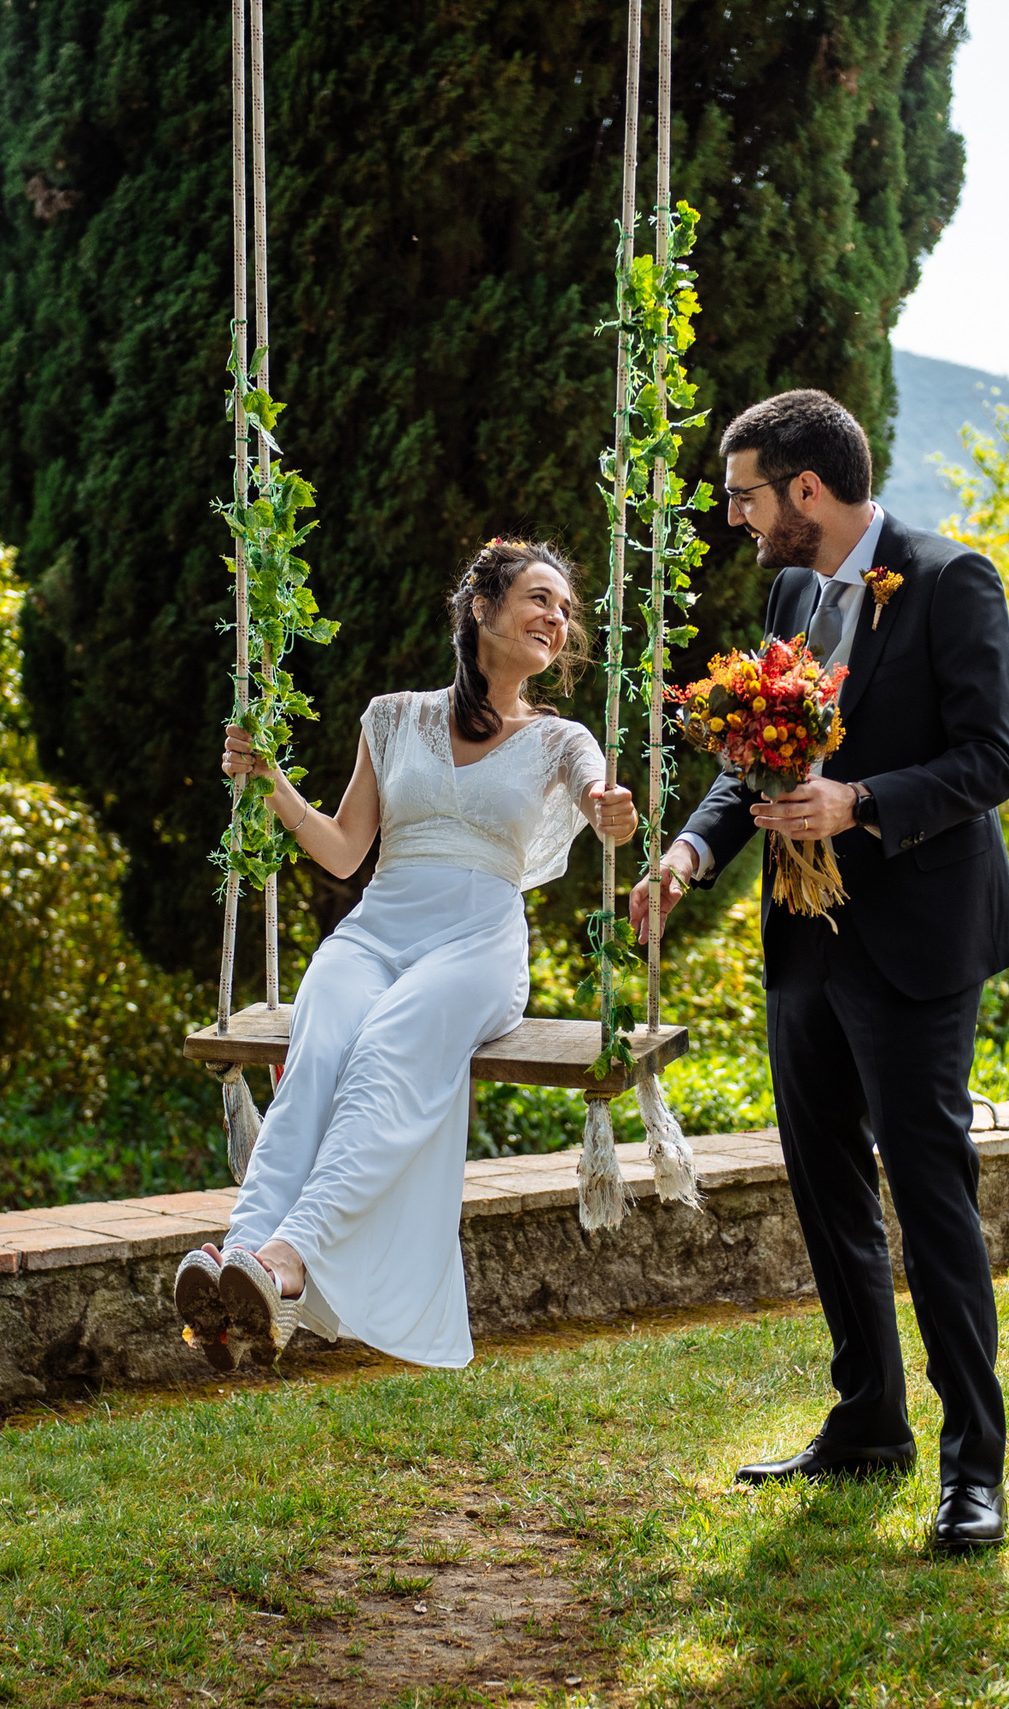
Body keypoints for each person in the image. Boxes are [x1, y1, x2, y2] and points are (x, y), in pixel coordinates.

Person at [631, 389, 1009, 1550]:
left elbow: (989, 760)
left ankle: (973, 1466)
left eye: (747, 496)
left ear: (806, 489)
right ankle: (867, 1421)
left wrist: (857, 801)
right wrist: (694, 846)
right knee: (825, 1185)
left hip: (915, 942)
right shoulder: (792, 590)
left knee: (928, 1189)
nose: (739, 519)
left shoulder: (954, 579)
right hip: (804, 943)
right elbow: (755, 754)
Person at [176, 538, 638, 1372]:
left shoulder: (563, 739)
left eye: (565, 611)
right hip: (378, 927)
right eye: (540, 598)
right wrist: (271, 783)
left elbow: (597, 789)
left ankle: (291, 1257)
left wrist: (612, 812)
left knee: (389, 1046)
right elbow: (347, 851)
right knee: (318, 1047)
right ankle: (237, 1260)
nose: (556, 619)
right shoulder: (392, 717)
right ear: (482, 607)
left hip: (476, 945)